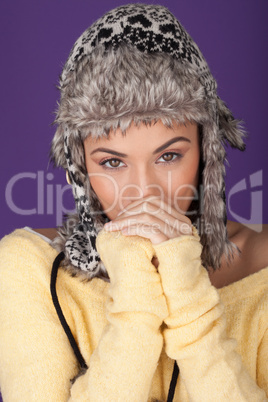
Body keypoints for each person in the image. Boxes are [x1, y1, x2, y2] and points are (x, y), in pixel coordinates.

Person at [0, 3, 267, 401]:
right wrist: (135, 301)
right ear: (80, 167)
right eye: (112, 162)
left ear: (206, 152)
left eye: (169, 156)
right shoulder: (30, 268)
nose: (144, 192)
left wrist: (187, 285)